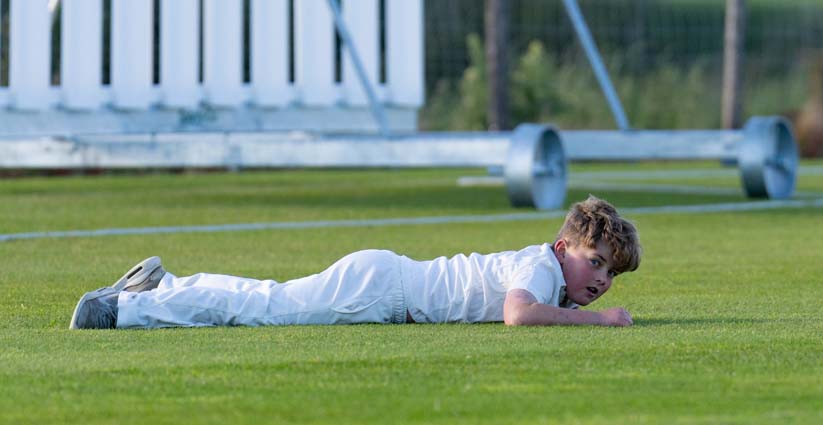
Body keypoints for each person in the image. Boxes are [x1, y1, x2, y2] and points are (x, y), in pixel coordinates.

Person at [69, 196, 641, 329]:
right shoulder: (540, 268)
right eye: (596, 262)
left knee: (267, 299)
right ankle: (122, 309)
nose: (602, 279)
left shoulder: (550, 275)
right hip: (382, 290)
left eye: (611, 273)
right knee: (267, 309)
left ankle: (163, 286)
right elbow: (518, 315)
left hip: (385, 281)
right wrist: (600, 321)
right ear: (565, 247)